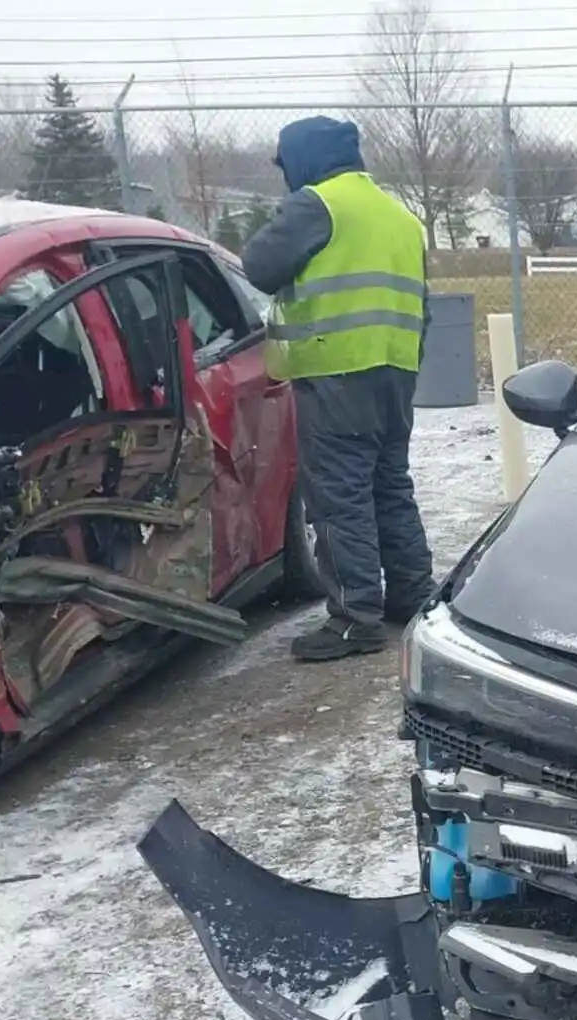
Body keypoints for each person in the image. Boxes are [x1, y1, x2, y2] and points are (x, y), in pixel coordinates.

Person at [242, 116, 436, 662]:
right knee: (389, 484)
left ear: (305, 159)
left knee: (340, 497)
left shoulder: (317, 205)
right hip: (394, 372)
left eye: (287, 165)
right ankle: (410, 594)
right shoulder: (399, 216)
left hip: (336, 371)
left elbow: (258, 265)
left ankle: (354, 619)